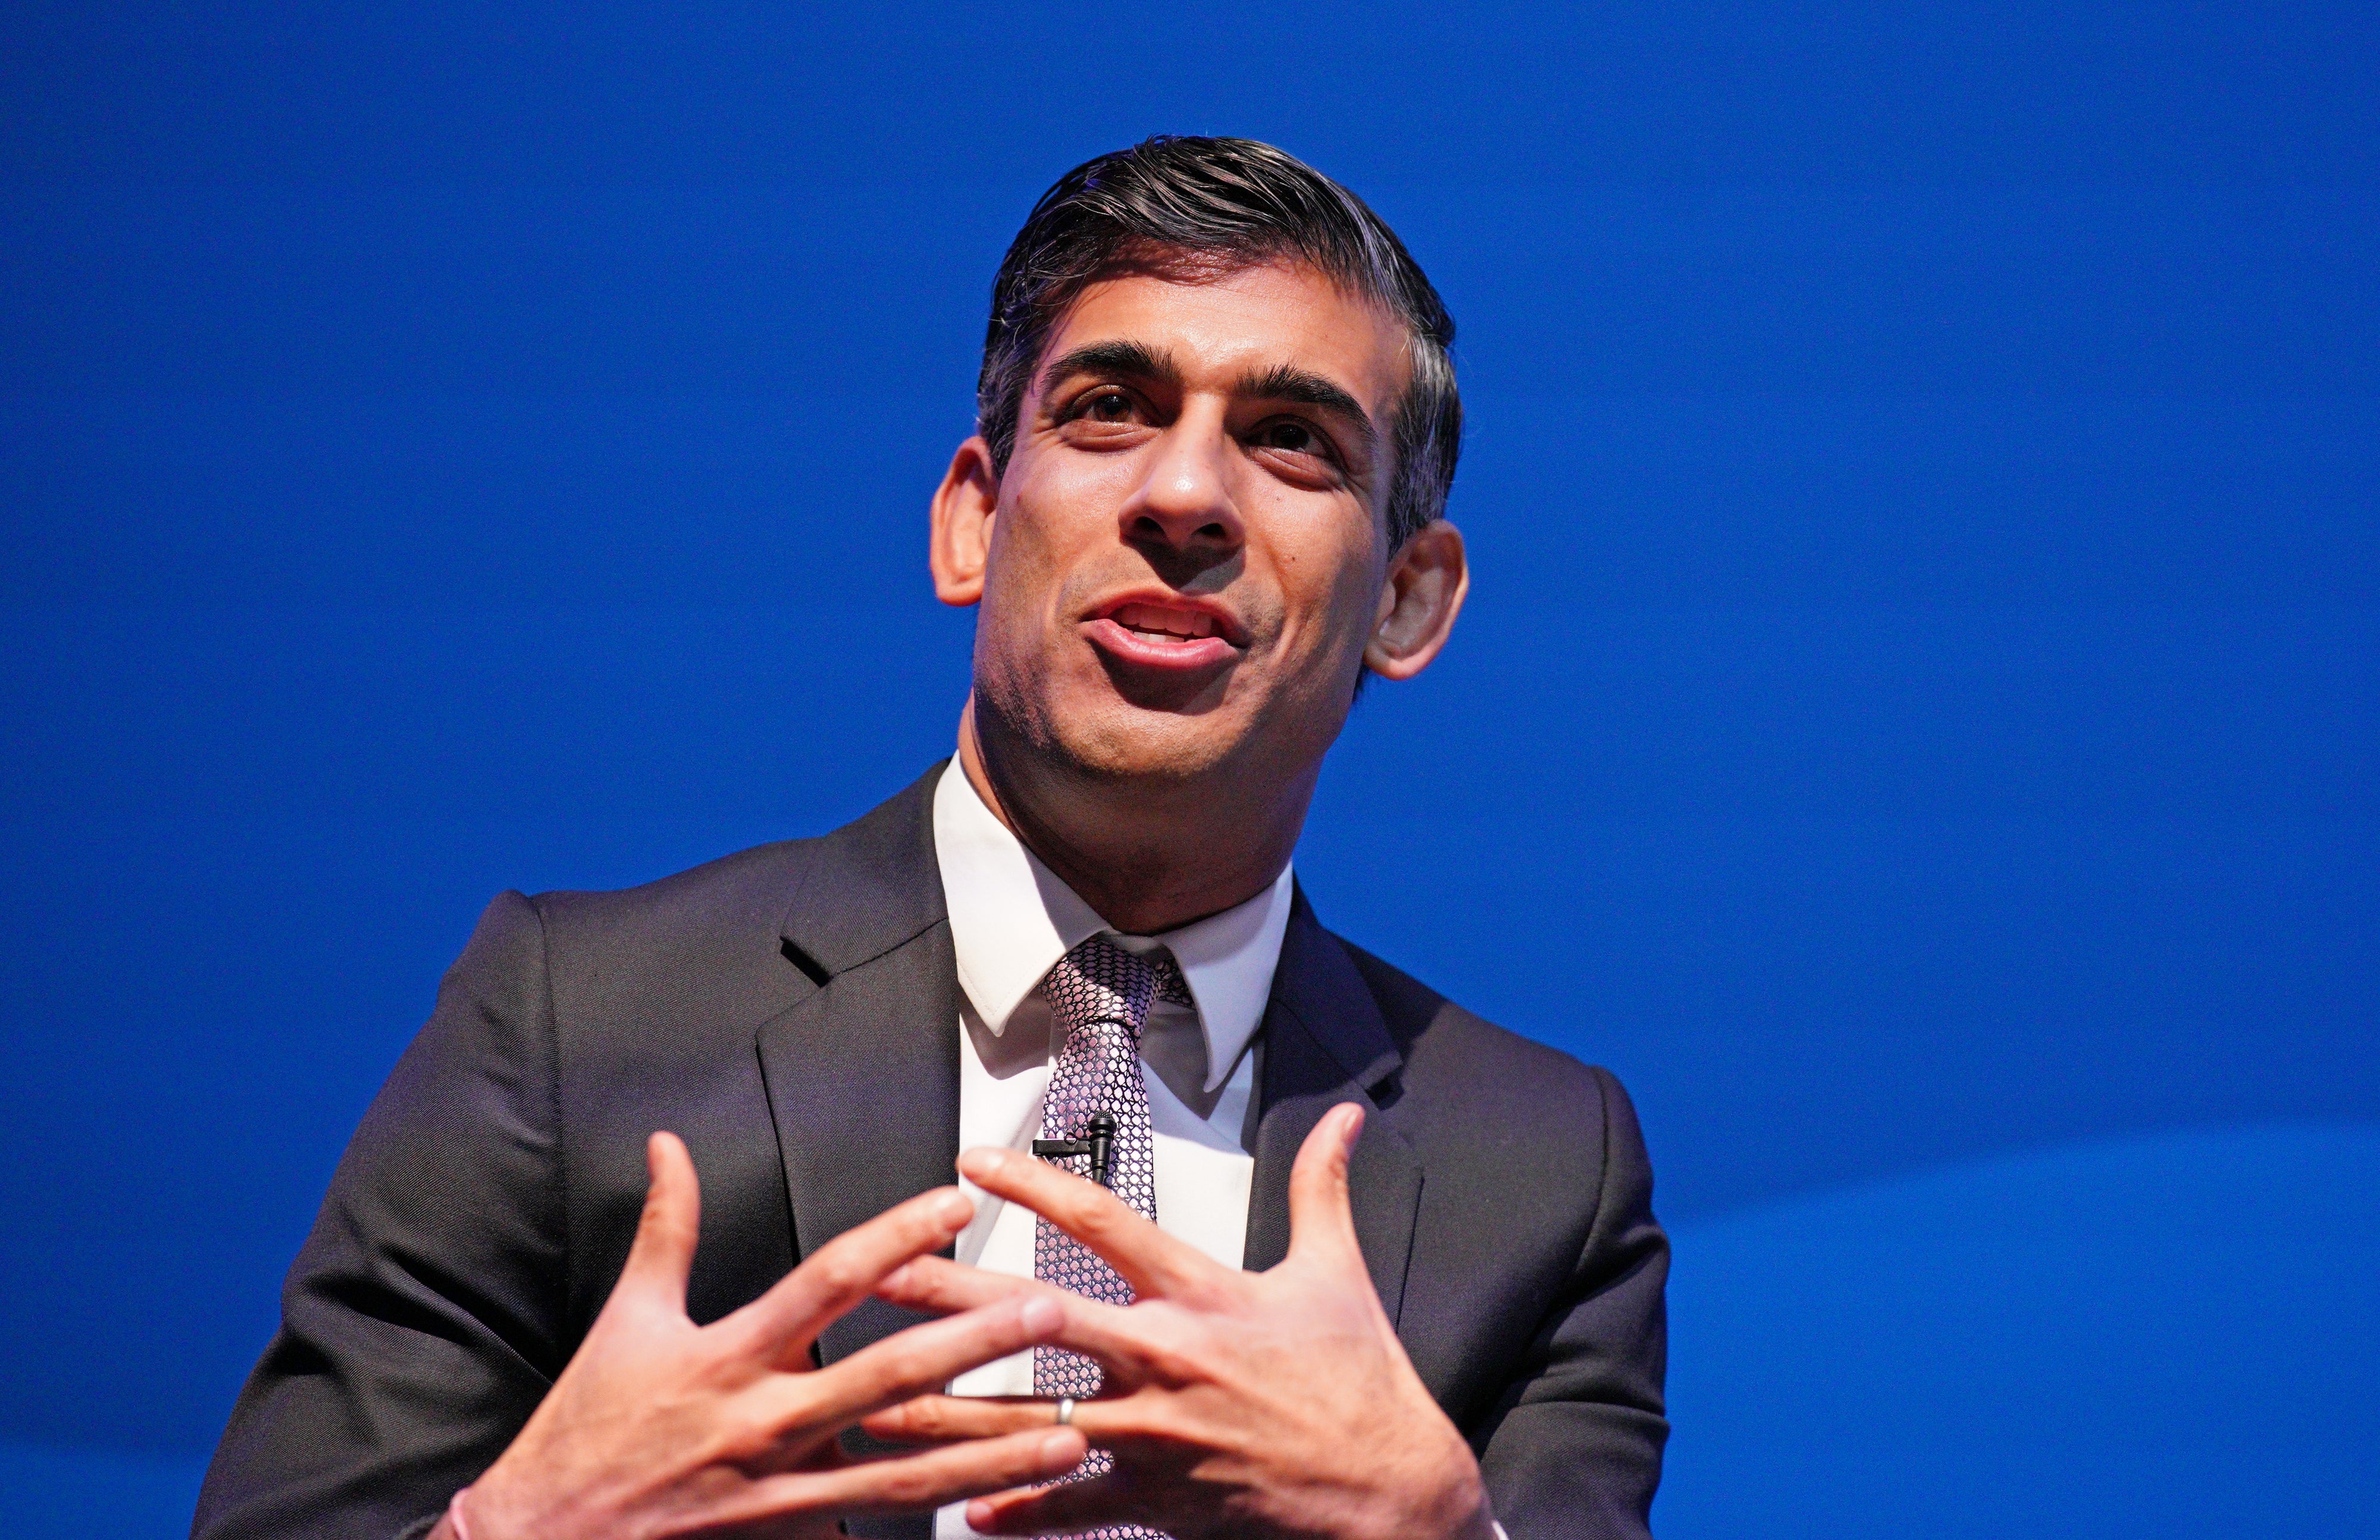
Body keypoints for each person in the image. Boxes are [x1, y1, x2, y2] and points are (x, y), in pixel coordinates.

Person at [192, 136, 1668, 1540]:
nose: (1182, 494)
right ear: (971, 519)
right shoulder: (576, 1023)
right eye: (1108, 407)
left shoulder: (1538, 1175)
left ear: (1407, 600)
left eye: (1289, 441)